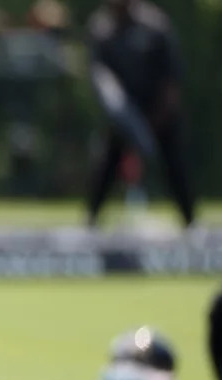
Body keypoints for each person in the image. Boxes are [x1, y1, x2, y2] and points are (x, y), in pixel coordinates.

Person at [86, 0, 195, 228]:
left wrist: (156, 120)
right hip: (124, 116)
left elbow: (171, 77)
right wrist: (123, 119)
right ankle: (91, 221)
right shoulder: (102, 28)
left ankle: (190, 222)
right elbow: (100, 76)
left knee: (175, 166)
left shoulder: (155, 25)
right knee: (105, 166)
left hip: (160, 112)